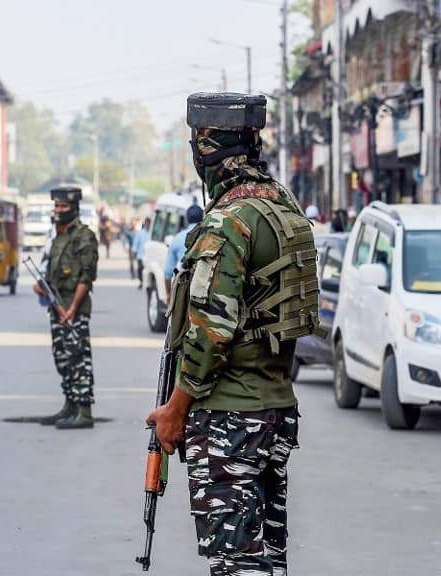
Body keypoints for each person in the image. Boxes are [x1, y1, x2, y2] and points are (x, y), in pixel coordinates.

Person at [146, 93, 322, 576]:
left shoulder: (226, 222)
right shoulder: (282, 208)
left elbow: (209, 332)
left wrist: (175, 410)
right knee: (265, 557)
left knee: (236, 562)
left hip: (229, 419)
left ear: (204, 150)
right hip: (275, 408)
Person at [34, 186, 99, 429]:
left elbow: (86, 276)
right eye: (56, 206)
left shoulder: (84, 236)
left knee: (78, 357)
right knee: (62, 357)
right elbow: (51, 270)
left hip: (74, 308)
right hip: (57, 305)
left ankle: (84, 411)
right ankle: (69, 405)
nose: (58, 211)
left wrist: (72, 309)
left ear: (74, 209)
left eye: (63, 207)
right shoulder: (58, 236)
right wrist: (41, 286)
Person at [164, 204, 203, 304]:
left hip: (183, 292)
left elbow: (168, 273)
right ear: (203, 217)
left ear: (187, 219)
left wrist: (169, 294)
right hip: (204, 290)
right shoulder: (209, 235)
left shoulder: (177, 238)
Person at [132, 217, 151, 289]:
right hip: (141, 255)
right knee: (140, 269)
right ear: (145, 223)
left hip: (150, 256)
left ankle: (148, 283)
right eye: (147, 223)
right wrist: (134, 251)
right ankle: (141, 282)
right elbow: (136, 243)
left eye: (149, 223)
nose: (148, 224)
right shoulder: (140, 233)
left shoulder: (153, 232)